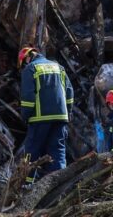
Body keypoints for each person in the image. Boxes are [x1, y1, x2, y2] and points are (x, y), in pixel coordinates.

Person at [18, 47, 74, 184]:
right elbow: (69, 93)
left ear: (27, 58)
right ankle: (59, 184)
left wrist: (25, 116)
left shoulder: (30, 69)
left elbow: (28, 97)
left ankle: (26, 184)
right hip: (61, 118)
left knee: (31, 151)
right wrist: (68, 112)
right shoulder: (59, 67)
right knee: (58, 151)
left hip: (39, 118)